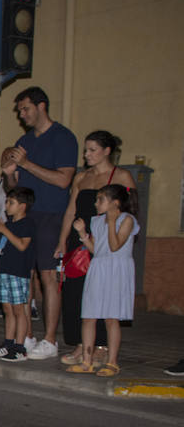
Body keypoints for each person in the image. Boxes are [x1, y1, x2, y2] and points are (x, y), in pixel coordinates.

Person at [3, 86, 78, 359]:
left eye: (26, 109)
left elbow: (63, 180)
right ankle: (28, 336)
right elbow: (16, 186)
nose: (22, 115)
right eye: (20, 110)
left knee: (48, 275)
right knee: (25, 276)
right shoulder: (25, 140)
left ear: (41, 106)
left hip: (51, 215)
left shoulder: (63, 137)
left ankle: (50, 340)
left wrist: (27, 163)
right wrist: (10, 173)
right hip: (27, 217)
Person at [55, 130, 135, 368]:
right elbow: (71, 211)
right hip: (80, 241)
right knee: (75, 293)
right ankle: (81, 344)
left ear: (106, 151)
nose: (87, 155)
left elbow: (131, 211)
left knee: (104, 293)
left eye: (92, 150)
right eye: (85, 150)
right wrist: (62, 241)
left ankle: (101, 346)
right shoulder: (81, 178)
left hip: (107, 244)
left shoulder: (122, 176)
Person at [67, 183, 138, 376]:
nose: (96, 203)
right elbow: (96, 249)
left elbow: (115, 246)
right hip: (98, 267)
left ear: (115, 203)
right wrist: (82, 233)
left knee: (110, 317)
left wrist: (112, 222)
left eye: (100, 200)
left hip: (117, 270)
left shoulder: (127, 220)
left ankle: (112, 361)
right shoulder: (97, 221)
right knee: (89, 315)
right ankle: (87, 361)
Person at [0, 186, 36, 361]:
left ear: (22, 206)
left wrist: (3, 229)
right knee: (7, 309)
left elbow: (22, 245)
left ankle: (20, 347)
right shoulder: (9, 225)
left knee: (19, 310)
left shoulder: (27, 224)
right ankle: (8, 343)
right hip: (3, 271)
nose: (6, 205)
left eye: (10, 202)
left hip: (18, 273)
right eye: (6, 201)